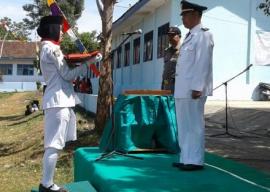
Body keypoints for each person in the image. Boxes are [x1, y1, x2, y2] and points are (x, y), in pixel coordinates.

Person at [37, 15, 101, 192]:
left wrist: (84, 60)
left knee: (54, 144)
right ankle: (47, 184)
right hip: (59, 101)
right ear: (52, 30)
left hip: (57, 100)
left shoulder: (47, 48)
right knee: (54, 145)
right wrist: (89, 62)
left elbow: (63, 73)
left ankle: (47, 183)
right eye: (59, 29)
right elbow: (67, 74)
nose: (62, 33)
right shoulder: (52, 49)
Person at [172, 0, 214, 171]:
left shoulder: (204, 34)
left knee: (194, 125)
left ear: (196, 15)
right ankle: (186, 157)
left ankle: (195, 160)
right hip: (182, 90)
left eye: (186, 15)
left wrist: (198, 86)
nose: (183, 18)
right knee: (184, 126)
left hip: (193, 90)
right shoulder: (190, 36)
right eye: (182, 15)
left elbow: (203, 62)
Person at [161, 26, 181, 94]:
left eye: (172, 35)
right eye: (169, 35)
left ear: (179, 36)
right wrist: (162, 86)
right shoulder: (167, 51)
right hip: (166, 87)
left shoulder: (184, 50)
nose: (170, 37)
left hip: (178, 87)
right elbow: (165, 70)